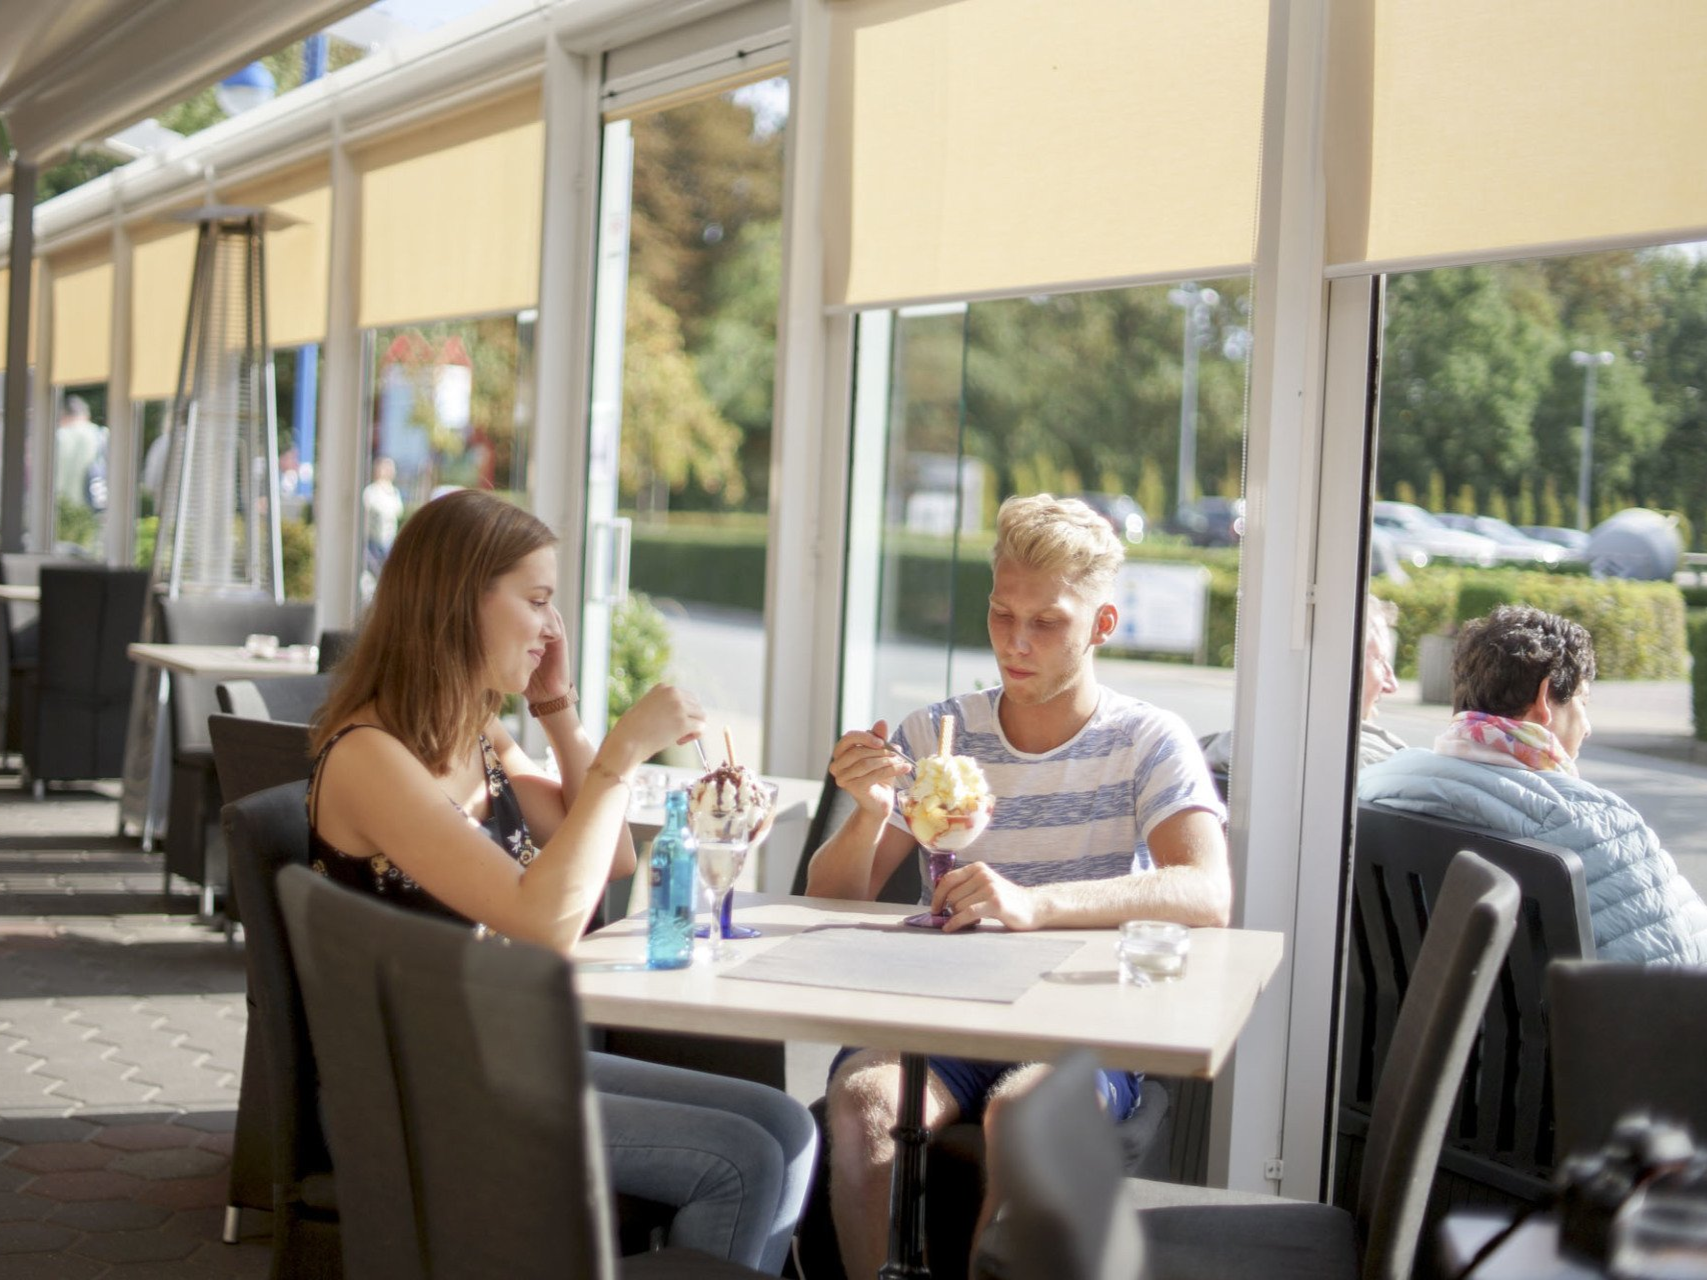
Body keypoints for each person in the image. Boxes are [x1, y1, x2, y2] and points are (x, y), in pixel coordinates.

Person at [307, 489, 816, 1273]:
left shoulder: (471, 730)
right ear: (455, 602)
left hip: (500, 1053)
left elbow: (605, 857)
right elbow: (540, 922)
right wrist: (621, 755)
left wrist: (556, 709)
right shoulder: (371, 758)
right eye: (538, 601)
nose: (552, 625)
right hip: (425, 1086)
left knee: (786, 1126)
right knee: (738, 1159)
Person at [804, 493, 1232, 1280]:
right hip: (941, 1017)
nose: (1015, 642)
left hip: (1083, 1025)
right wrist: (866, 817)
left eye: (1046, 623)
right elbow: (831, 896)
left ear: (1101, 626)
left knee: (1024, 1115)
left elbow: (1205, 891)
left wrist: (1036, 906)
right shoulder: (938, 732)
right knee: (866, 1105)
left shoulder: (1146, 739)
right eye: (1002, 614)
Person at [1358, 604, 1707, 964]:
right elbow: (1678, 968)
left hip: (1422, 1016)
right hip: (1570, 1020)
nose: (1586, 726)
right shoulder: (1592, 824)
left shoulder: (1378, 786)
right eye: (1582, 702)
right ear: (1545, 700)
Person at [1203, 594, 1405, 776]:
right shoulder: (1383, 769)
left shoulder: (1208, 753)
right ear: (1329, 669)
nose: (1391, 684)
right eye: (1379, 660)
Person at [54, 394, 108, 511]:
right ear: (87, 415)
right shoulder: (102, 435)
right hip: (95, 510)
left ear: (62, 416)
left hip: (61, 512)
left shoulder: (57, 436)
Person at [361, 455, 404, 578]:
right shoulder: (371, 491)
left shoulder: (394, 492)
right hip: (374, 540)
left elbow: (398, 512)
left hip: (389, 539)